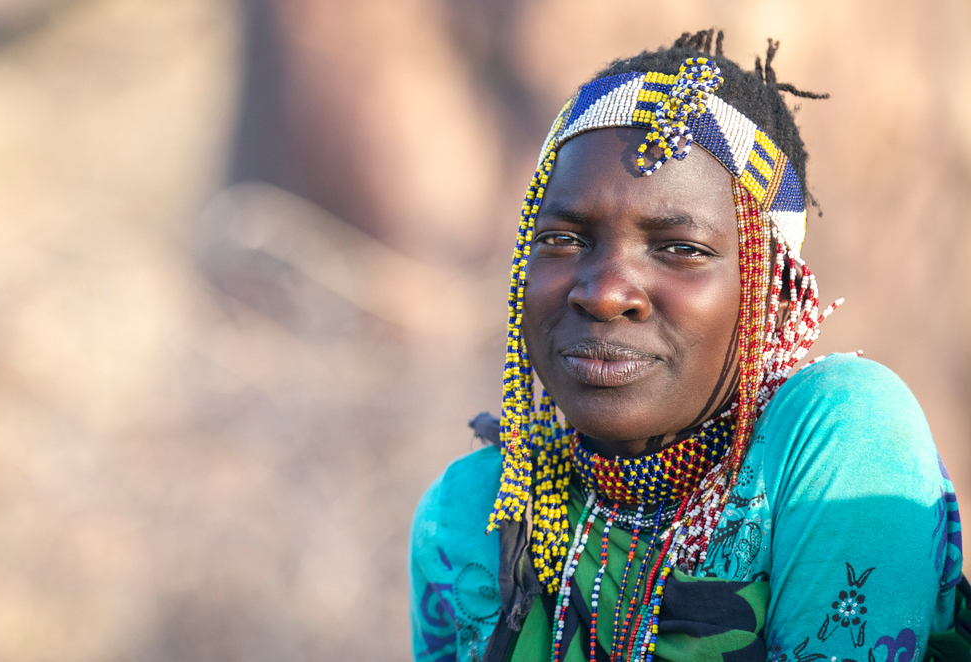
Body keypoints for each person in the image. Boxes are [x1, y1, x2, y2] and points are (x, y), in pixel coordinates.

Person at [409, 31, 969, 662]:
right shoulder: (472, 515)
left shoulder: (839, 434)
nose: (604, 293)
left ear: (776, 294)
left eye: (681, 249)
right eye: (565, 240)